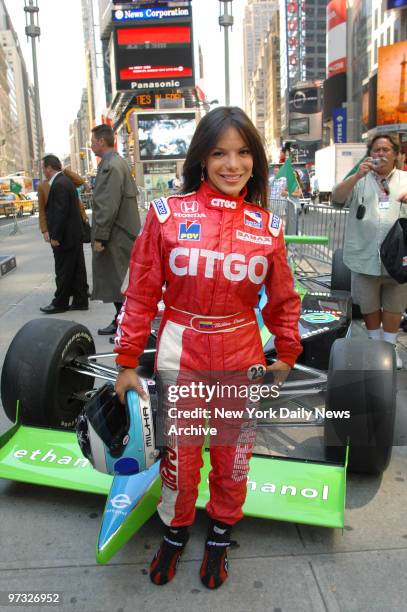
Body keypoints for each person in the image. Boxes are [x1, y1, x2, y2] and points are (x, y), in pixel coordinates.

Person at [113, 107, 303, 589]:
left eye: (243, 153)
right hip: (181, 349)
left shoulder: (268, 227)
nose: (232, 164)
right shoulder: (165, 216)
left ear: (256, 162)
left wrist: (286, 353)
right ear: (201, 158)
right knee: (181, 455)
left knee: (232, 454)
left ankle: (220, 532)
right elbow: (139, 295)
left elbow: (283, 299)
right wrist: (127, 361)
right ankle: (175, 532)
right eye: (220, 152)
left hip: (241, 351)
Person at [332, 134, 407, 368]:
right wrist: (356, 176)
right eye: (376, 150)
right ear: (369, 154)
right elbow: (337, 198)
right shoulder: (359, 179)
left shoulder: (405, 179)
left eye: (386, 149)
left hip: (399, 259)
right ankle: (376, 346)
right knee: (369, 304)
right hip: (364, 257)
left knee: (394, 306)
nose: (381, 154)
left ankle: (390, 348)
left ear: (395, 154)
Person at [90, 124, 141, 336]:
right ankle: (121, 322)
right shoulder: (116, 162)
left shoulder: (110, 165)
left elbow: (107, 204)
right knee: (119, 282)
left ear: (102, 141)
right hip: (121, 234)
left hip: (116, 237)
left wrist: (100, 236)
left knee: (118, 283)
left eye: (93, 141)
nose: (91, 145)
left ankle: (125, 327)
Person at [40, 155, 88, 314]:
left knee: (63, 271)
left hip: (65, 238)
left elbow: (60, 213)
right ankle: (80, 300)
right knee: (76, 270)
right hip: (73, 235)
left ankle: (60, 303)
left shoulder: (59, 184)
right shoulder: (65, 181)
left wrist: (55, 237)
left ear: (49, 168)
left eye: (44, 168)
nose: (43, 172)